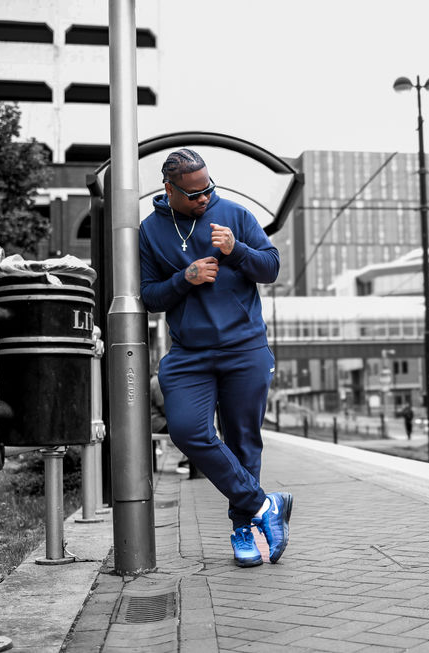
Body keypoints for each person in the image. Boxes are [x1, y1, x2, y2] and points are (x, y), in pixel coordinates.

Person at [139, 148, 291, 568]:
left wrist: (237, 250)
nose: (204, 198)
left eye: (207, 188)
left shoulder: (236, 215)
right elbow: (149, 296)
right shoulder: (150, 231)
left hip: (246, 348)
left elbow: (271, 267)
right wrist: (183, 280)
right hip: (190, 354)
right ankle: (264, 505)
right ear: (168, 189)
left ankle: (244, 529)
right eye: (193, 194)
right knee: (187, 430)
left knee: (244, 441)